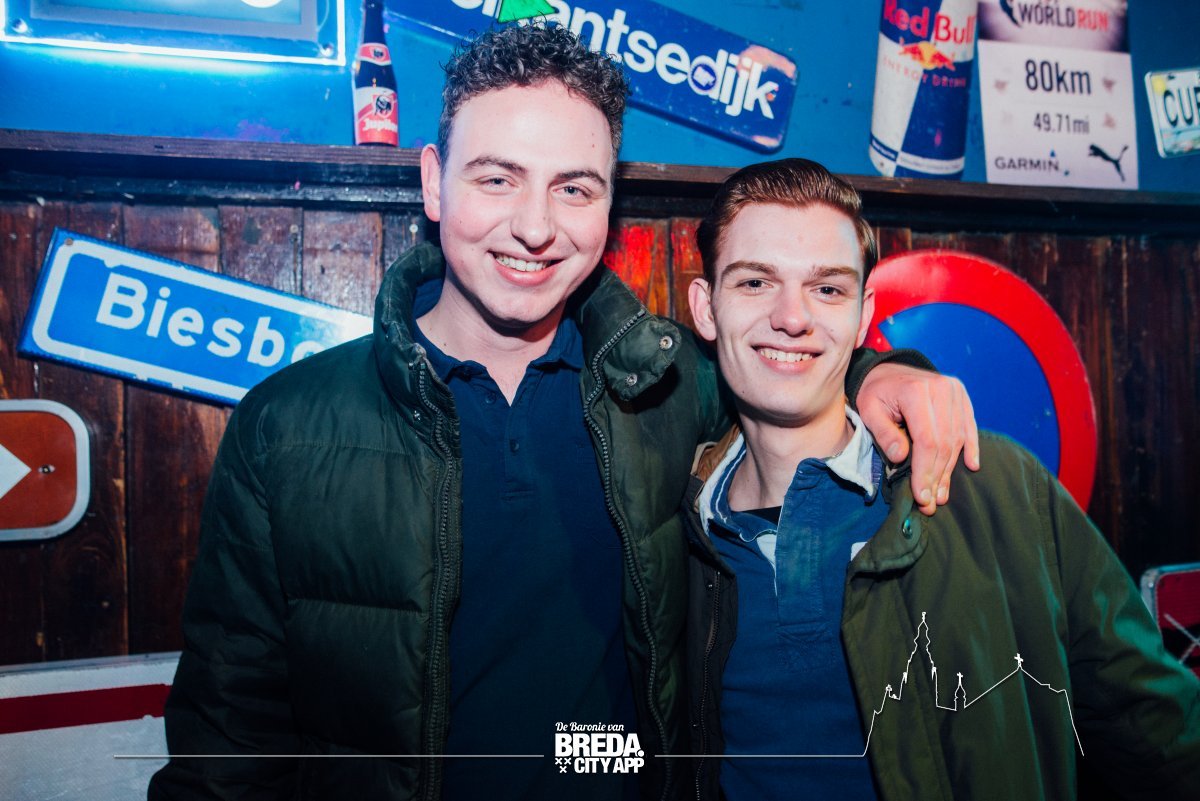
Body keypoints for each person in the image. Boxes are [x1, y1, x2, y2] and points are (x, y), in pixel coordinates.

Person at [148, 26, 979, 801]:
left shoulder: (668, 386)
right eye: (497, 178)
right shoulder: (286, 428)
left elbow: (789, 359)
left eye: (573, 188)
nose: (535, 227)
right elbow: (227, 742)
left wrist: (889, 373)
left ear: (609, 203)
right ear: (434, 181)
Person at [683, 158, 1200, 801]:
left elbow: (1159, 731)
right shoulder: (670, 528)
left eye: (828, 289)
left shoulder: (998, 490)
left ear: (863, 314)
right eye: (756, 282)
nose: (793, 317)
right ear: (706, 308)